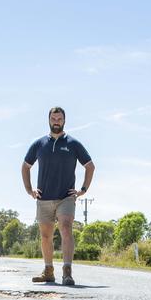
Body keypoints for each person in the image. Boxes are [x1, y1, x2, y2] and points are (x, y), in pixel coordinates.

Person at [21, 107, 95, 286]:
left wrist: (82, 190)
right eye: (53, 118)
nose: (56, 121)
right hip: (44, 197)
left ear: (64, 120)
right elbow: (25, 166)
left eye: (59, 118)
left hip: (66, 197)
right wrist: (29, 190)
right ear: (48, 120)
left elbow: (90, 166)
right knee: (45, 235)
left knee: (66, 228)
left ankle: (67, 272)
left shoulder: (73, 144)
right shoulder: (39, 144)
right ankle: (48, 271)